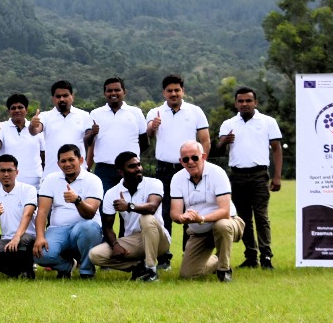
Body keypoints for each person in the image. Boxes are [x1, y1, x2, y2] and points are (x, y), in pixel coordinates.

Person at [145, 74, 210, 268]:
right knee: (164, 214)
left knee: (190, 211)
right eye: (169, 90)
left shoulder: (195, 111)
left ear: (183, 91)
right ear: (164, 92)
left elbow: (205, 139)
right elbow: (147, 135)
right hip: (164, 169)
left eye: (177, 90)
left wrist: (201, 164)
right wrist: (152, 127)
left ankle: (190, 255)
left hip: (189, 169)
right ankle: (165, 258)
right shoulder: (155, 112)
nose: (173, 94)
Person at [217, 86, 283, 269]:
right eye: (241, 101)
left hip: (259, 175)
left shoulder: (268, 122)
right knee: (244, 218)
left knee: (261, 216)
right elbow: (219, 150)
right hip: (237, 176)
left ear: (256, 102)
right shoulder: (229, 123)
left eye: (248, 101)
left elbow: (277, 149)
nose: (244, 104)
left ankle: (266, 257)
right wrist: (223, 141)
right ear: (236, 103)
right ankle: (251, 257)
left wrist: (277, 177)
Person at [88, 151, 169, 281]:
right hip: (134, 240)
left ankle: (151, 271)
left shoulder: (154, 183)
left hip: (158, 239)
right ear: (121, 172)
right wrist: (115, 245)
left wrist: (129, 206)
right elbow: (107, 227)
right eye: (132, 166)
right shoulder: (112, 193)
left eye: (139, 165)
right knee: (95, 255)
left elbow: (152, 207)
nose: (138, 169)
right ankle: (138, 267)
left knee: (146, 218)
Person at [170, 141, 244, 282]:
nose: (190, 162)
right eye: (186, 159)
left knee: (221, 225)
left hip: (229, 223)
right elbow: (174, 212)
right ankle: (216, 261)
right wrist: (181, 217)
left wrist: (201, 218)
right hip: (199, 231)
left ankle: (224, 270)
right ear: (181, 161)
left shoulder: (217, 173)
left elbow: (225, 211)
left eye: (195, 157)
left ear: (203, 156)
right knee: (188, 275)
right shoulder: (177, 178)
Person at [33, 144, 104, 279]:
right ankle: (67, 266)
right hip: (58, 229)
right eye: (63, 161)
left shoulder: (93, 180)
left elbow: (90, 213)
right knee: (41, 255)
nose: (67, 164)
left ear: (81, 160)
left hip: (84, 229)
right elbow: (42, 212)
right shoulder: (50, 179)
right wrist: (40, 237)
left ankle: (87, 271)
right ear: (58, 164)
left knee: (89, 227)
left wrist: (77, 200)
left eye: (71, 159)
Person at [87, 78, 147, 192]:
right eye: (109, 91)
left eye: (117, 90)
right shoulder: (96, 113)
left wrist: (130, 157)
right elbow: (87, 142)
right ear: (105, 93)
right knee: (103, 205)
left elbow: (144, 142)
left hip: (130, 169)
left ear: (124, 92)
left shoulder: (136, 112)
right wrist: (92, 133)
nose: (113, 93)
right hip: (104, 170)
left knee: (131, 204)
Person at [31, 80, 92, 178]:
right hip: (51, 174)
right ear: (53, 99)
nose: (62, 99)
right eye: (58, 96)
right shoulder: (45, 116)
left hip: (79, 174)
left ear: (72, 96)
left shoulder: (84, 116)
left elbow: (90, 142)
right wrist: (33, 125)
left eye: (65, 95)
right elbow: (35, 131)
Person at [0, 94, 45, 188]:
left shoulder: (37, 128)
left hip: (34, 182)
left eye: (20, 107)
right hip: (8, 182)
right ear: (8, 111)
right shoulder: (1, 127)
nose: (17, 110)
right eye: (13, 108)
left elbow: (43, 155)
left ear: (26, 110)